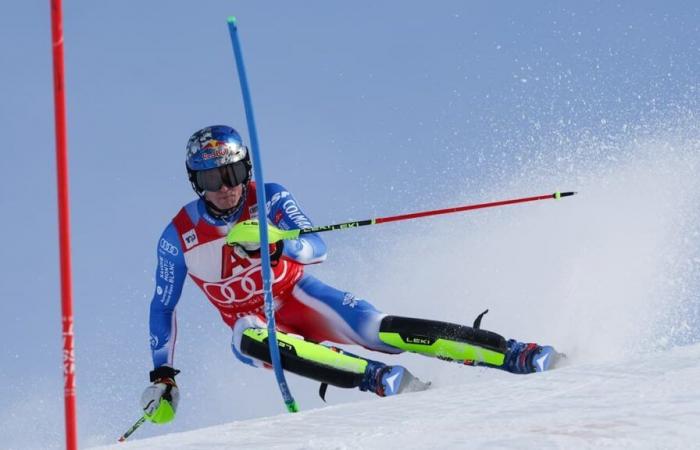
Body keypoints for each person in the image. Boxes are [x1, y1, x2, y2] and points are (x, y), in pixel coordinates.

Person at [141, 125, 561, 424]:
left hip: (301, 295)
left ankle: (513, 353)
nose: (224, 188)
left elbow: (317, 248)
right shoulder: (177, 237)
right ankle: (377, 378)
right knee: (247, 338)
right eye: (210, 179)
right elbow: (163, 306)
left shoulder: (268, 196)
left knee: (380, 329)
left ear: (246, 169)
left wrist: (276, 243)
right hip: (256, 322)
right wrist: (163, 374)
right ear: (195, 182)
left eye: (231, 174)